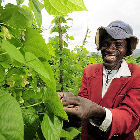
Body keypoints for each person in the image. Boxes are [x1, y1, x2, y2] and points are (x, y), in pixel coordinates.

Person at [59, 20, 140, 140]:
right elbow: (83, 103)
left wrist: (98, 112)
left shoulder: (136, 74)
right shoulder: (89, 71)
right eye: (106, 44)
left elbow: (130, 117)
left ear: (127, 49)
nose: (110, 49)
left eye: (118, 45)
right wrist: (71, 104)